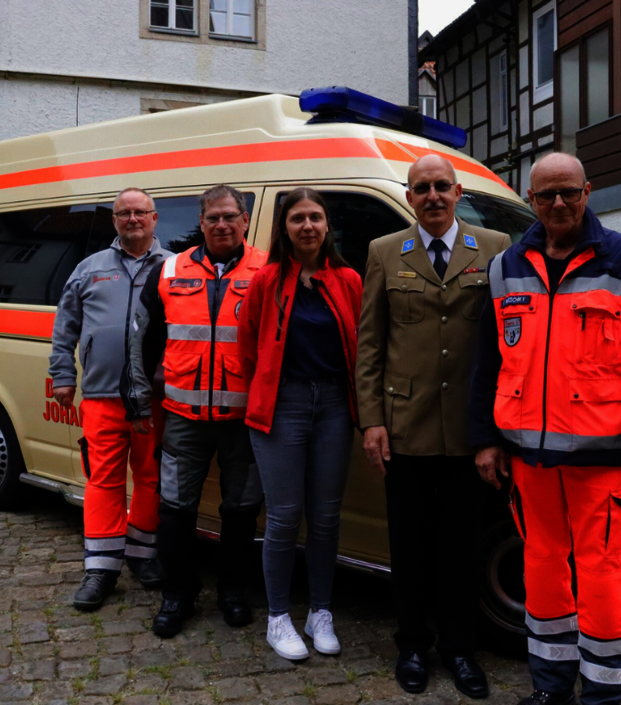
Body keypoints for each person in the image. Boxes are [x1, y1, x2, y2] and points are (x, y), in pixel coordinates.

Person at [470, 153, 621, 705]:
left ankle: (604, 695)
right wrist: (485, 440)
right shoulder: (507, 266)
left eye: (568, 192)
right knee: (541, 571)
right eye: (545, 195)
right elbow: (487, 362)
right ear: (530, 200)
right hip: (528, 461)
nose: (558, 203)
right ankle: (551, 688)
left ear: (588, 191)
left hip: (602, 461)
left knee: (603, 576)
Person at [356, 154, 510, 699]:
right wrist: (372, 420)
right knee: (411, 544)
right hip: (407, 428)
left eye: (441, 187)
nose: (432, 197)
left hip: (471, 431)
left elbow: (507, 342)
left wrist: (497, 430)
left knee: (462, 548)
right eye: (421, 188)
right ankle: (413, 646)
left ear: (457, 190)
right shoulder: (383, 252)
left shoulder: (493, 248)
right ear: (410, 195)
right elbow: (370, 344)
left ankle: (461, 649)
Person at [122, 184, 267, 637]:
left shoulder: (268, 269)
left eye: (230, 216)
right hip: (183, 419)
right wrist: (142, 399)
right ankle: (177, 595)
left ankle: (233, 592)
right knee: (176, 510)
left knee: (241, 512)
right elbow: (142, 343)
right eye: (212, 218)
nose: (221, 224)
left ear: (245, 220)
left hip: (246, 422)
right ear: (200, 223)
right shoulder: (169, 270)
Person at [238, 187, 363, 660]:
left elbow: (362, 343)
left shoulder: (348, 279)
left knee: (326, 516)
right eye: (297, 219)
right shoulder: (266, 280)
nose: (307, 226)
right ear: (284, 228)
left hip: (333, 403)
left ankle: (320, 611)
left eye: (315, 217)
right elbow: (247, 347)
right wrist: (265, 395)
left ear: (327, 225)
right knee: (285, 516)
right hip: (281, 404)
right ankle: (277, 617)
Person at [49, 187, 170, 611]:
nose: (132, 219)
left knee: (152, 478)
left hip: (153, 398)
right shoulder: (89, 268)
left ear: (155, 218)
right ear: (114, 221)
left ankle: (141, 555)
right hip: (101, 396)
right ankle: (101, 568)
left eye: (140, 212)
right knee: (104, 480)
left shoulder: (173, 268)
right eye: (124, 213)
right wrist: (62, 376)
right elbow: (65, 327)